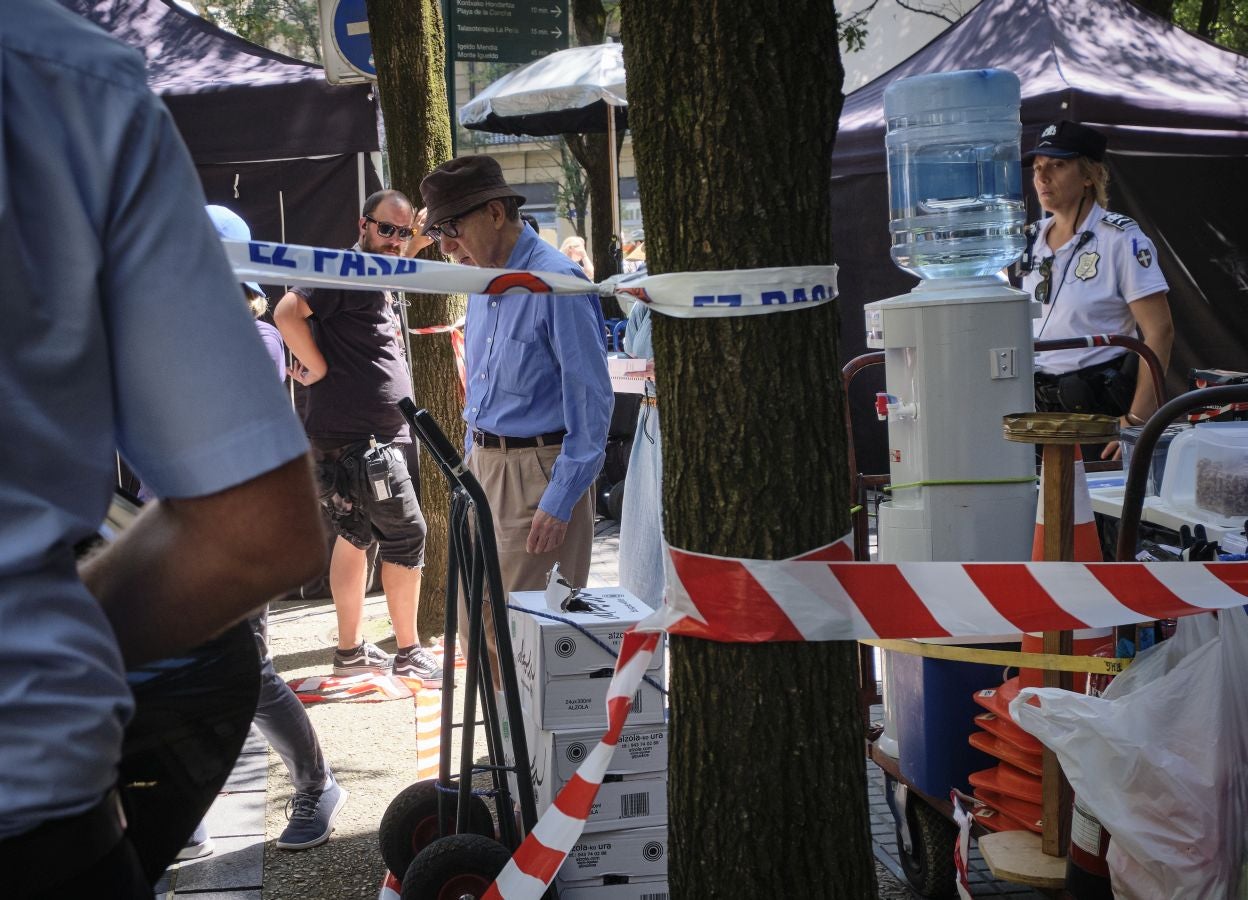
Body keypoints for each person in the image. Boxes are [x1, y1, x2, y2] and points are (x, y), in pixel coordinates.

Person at [0, 2, 326, 895]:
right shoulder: (64, 80)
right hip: (38, 806)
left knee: (249, 676)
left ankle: (315, 785)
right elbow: (255, 525)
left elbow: (249, 516)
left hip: (171, 554)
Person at [171, 207, 346, 858]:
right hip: (180, 525)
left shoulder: (253, 340)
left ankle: (317, 786)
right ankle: (187, 806)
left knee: (249, 674)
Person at [415, 155, 612, 624]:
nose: (445, 247)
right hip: (485, 466)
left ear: (495, 213)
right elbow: (484, 389)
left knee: (527, 639)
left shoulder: (555, 279)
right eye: (438, 234)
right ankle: (496, 703)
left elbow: (591, 398)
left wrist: (561, 496)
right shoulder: (483, 278)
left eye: (451, 229)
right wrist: (470, 462)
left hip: (538, 471)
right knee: (475, 628)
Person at [273, 191, 444, 686]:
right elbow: (286, 312)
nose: (395, 241)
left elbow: (397, 258)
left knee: (357, 535)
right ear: (362, 224)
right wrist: (319, 366)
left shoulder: (378, 267)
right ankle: (409, 651)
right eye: (385, 230)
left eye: (402, 231)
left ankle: (349, 650)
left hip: (354, 435)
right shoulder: (344, 267)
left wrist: (420, 237)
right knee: (407, 536)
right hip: (365, 441)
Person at [1023, 120, 1174, 459]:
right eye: (1037, 168)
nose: (1043, 177)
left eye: (1057, 165)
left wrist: (1136, 420)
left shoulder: (1120, 239)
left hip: (1096, 412)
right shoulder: (1027, 240)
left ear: (1089, 175)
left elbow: (1160, 331)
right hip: (1036, 411)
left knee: (1095, 511)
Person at [617, 301, 664, 608]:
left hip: (676, 424)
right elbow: (630, 355)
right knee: (642, 545)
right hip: (648, 421)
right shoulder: (642, 306)